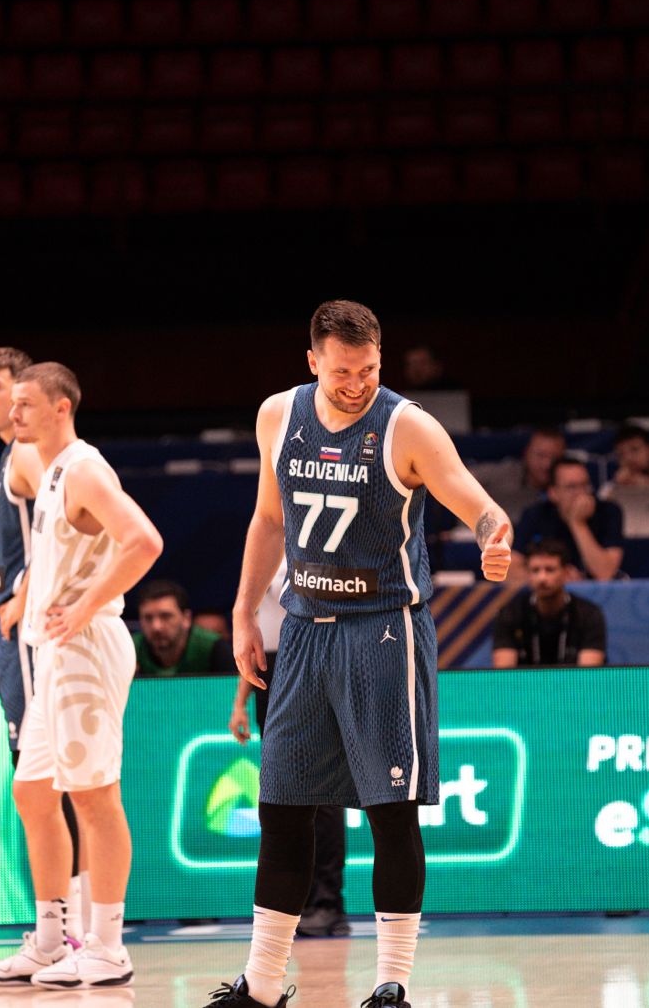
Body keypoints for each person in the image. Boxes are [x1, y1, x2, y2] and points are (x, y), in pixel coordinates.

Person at [206, 300, 512, 1008]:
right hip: (303, 627)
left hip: (383, 630)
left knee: (390, 812)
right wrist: (246, 610)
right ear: (312, 361)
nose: (356, 384)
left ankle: (391, 985)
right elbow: (268, 519)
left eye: (368, 369)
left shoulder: (408, 426)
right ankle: (259, 985)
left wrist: (494, 537)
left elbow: (478, 503)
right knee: (283, 807)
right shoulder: (278, 415)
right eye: (342, 372)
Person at [0, 361, 163, 990]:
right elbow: (52, 549)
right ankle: (49, 939)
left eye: (25, 404)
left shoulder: (85, 468)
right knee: (32, 793)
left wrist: (87, 605)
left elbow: (144, 541)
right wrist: (27, 596)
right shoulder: (50, 467)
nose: (13, 414)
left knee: (94, 797)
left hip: (86, 647)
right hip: (53, 652)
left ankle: (108, 946)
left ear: (62, 407)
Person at [0, 347, 89, 937]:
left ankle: (75, 921)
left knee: (49, 781)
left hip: (31, 631)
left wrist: (25, 589)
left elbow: (65, 519)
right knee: (38, 781)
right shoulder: (10, 455)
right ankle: (64, 923)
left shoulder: (29, 454)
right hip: (11, 632)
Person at [228, 562, 350, 939]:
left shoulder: (315, 542)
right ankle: (297, 904)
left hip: (314, 659)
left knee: (324, 795)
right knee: (285, 796)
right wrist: (241, 701)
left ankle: (328, 904)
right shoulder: (262, 549)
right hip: (271, 669)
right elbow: (254, 628)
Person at [491, 539, 607, 667]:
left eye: (550, 570)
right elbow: (503, 673)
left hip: (573, 681)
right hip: (523, 681)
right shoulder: (509, 614)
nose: (542, 578)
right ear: (528, 574)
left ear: (566, 573)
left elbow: (589, 674)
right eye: (535, 570)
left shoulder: (588, 614)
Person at [513, 456, 625, 581]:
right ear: (553, 493)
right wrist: (553, 577)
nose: (581, 493)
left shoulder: (608, 511)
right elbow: (510, 569)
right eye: (571, 487)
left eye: (585, 485)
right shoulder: (535, 514)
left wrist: (577, 523)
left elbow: (605, 573)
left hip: (595, 590)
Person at [133, 579, 236, 677]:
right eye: (148, 618)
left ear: (186, 618)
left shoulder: (215, 648)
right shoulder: (131, 649)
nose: (156, 627)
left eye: (166, 616)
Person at [472, 427, 566, 523]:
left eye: (554, 458)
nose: (547, 464)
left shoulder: (567, 486)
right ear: (526, 453)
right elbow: (463, 480)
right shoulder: (505, 472)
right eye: (540, 455)